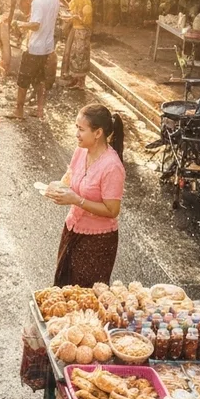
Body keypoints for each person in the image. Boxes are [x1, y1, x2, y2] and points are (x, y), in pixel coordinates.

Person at [46, 104, 125, 289]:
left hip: (97, 242)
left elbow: (112, 210)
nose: (76, 134)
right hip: (72, 230)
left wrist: (76, 200)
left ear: (98, 133)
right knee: (62, 286)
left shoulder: (112, 167)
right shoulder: (81, 151)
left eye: (81, 129)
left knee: (84, 294)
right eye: (76, 128)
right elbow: (70, 176)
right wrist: (57, 187)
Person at [12, 0, 59, 119]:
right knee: (40, 80)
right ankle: (40, 110)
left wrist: (21, 24)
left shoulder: (38, 0)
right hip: (47, 46)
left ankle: (19, 111)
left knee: (23, 80)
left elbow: (36, 24)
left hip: (35, 47)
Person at [63, 0, 92, 89]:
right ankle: (79, 81)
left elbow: (72, 14)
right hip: (84, 31)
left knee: (76, 55)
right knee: (82, 56)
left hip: (79, 30)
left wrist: (75, 18)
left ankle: (78, 82)